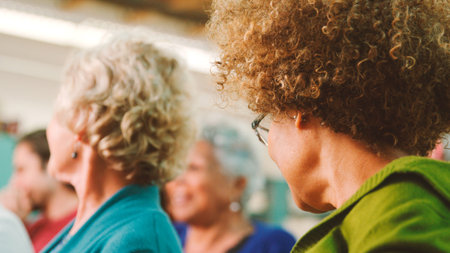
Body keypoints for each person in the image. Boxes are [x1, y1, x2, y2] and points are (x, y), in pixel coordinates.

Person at [207, 0, 449, 252]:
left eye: (267, 120)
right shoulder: (416, 209)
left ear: (299, 110)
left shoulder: (398, 228)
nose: (269, 146)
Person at [41, 35, 193, 252]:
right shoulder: (97, 221)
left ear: (84, 120)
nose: (49, 128)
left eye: (57, 114)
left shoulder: (138, 241)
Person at [165, 123, 296, 253]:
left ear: (237, 184)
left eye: (193, 168)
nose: (177, 179)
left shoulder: (274, 245)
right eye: (176, 168)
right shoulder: (165, 236)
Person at [0, 129, 78, 252]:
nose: (13, 182)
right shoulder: (30, 229)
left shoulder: (83, 224)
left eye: (21, 170)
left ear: (50, 166)